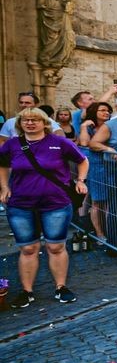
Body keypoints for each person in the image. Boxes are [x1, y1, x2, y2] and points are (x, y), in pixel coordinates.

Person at [0, 107, 87, 307]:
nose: (30, 123)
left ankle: (60, 287)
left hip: (55, 203)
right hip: (21, 204)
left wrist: (81, 180)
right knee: (28, 248)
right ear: (20, 124)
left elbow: (82, 160)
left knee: (55, 246)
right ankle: (27, 291)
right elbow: (2, 165)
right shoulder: (12, 145)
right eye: (26, 120)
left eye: (35, 120)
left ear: (44, 123)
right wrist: (4, 187)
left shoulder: (59, 142)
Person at [79, 101, 113, 247]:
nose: (106, 113)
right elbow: (85, 143)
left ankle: (111, 232)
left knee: (110, 201)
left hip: (111, 165)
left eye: (108, 111)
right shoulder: (90, 127)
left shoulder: (111, 126)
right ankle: (99, 233)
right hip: (97, 166)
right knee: (97, 202)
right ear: (94, 112)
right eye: (102, 110)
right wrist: (83, 127)